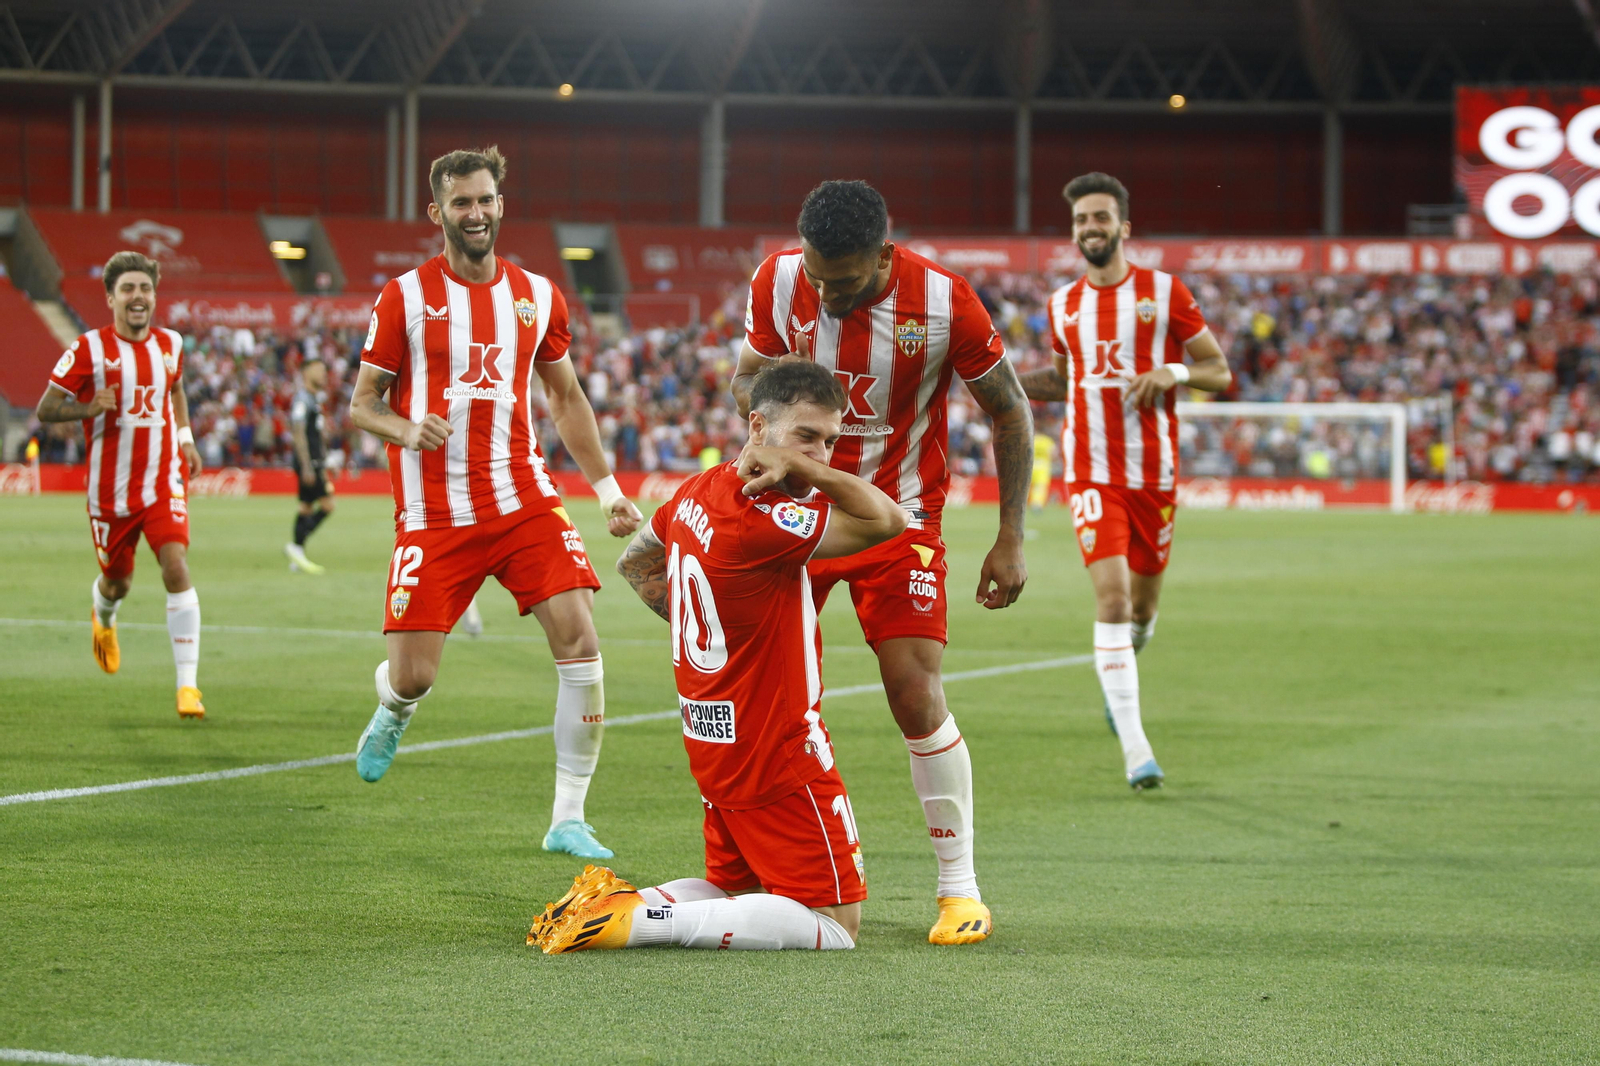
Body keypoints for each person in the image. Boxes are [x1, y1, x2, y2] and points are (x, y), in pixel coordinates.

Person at [729, 180, 1033, 945]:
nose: (827, 294)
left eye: (847, 279)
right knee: (766, 697)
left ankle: (959, 890)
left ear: (884, 255)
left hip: (901, 518)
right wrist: (766, 426)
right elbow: (745, 379)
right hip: (798, 517)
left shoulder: (944, 301)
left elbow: (1010, 410)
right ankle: (756, 868)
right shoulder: (779, 279)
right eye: (819, 276)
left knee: (914, 690)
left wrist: (1010, 535)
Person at [532, 360, 908, 953]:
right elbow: (889, 519)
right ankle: (643, 925)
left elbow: (636, 563)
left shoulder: (695, 491)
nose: (821, 454)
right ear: (757, 426)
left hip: (711, 733)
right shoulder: (766, 519)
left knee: (732, 885)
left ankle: (613, 905)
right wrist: (802, 468)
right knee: (836, 923)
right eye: (807, 436)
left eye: (830, 441)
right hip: (775, 744)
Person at [347, 146, 644, 860]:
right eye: (460, 203)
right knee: (415, 673)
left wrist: (607, 492)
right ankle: (394, 705)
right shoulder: (405, 298)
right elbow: (362, 404)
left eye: (484, 201)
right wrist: (404, 427)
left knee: (580, 638)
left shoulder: (539, 296)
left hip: (523, 499)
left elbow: (565, 396)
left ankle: (567, 817)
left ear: (501, 205)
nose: (474, 214)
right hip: (433, 513)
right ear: (437, 213)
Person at [1017, 172, 1232, 789]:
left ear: (1123, 227)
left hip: (1153, 476)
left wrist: (1171, 371)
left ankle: (1122, 679)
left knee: (1141, 611)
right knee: (1109, 599)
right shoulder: (1062, 306)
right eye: (1082, 220)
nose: (1091, 228)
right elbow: (1061, 381)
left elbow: (1216, 370)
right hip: (1090, 473)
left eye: (1101, 218)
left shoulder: (1165, 294)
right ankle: (1137, 750)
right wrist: (992, 379)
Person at [34, 250, 206, 719]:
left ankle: (187, 686)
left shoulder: (171, 343)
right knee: (117, 581)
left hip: (163, 478)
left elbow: (175, 389)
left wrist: (186, 439)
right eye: (128, 289)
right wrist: (87, 409)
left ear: (154, 295)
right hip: (110, 492)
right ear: (111, 297)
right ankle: (103, 617)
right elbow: (46, 408)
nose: (138, 297)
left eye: (145, 288)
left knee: (176, 565)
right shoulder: (88, 349)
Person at [284, 357, 333, 574]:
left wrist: (326, 461)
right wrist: (307, 466)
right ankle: (295, 547)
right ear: (306, 373)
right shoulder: (302, 399)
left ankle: (297, 556)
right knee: (327, 505)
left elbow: (317, 436)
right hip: (309, 463)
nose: (324, 374)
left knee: (305, 507)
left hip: (315, 462)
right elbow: (298, 432)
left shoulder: (315, 400)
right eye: (319, 369)